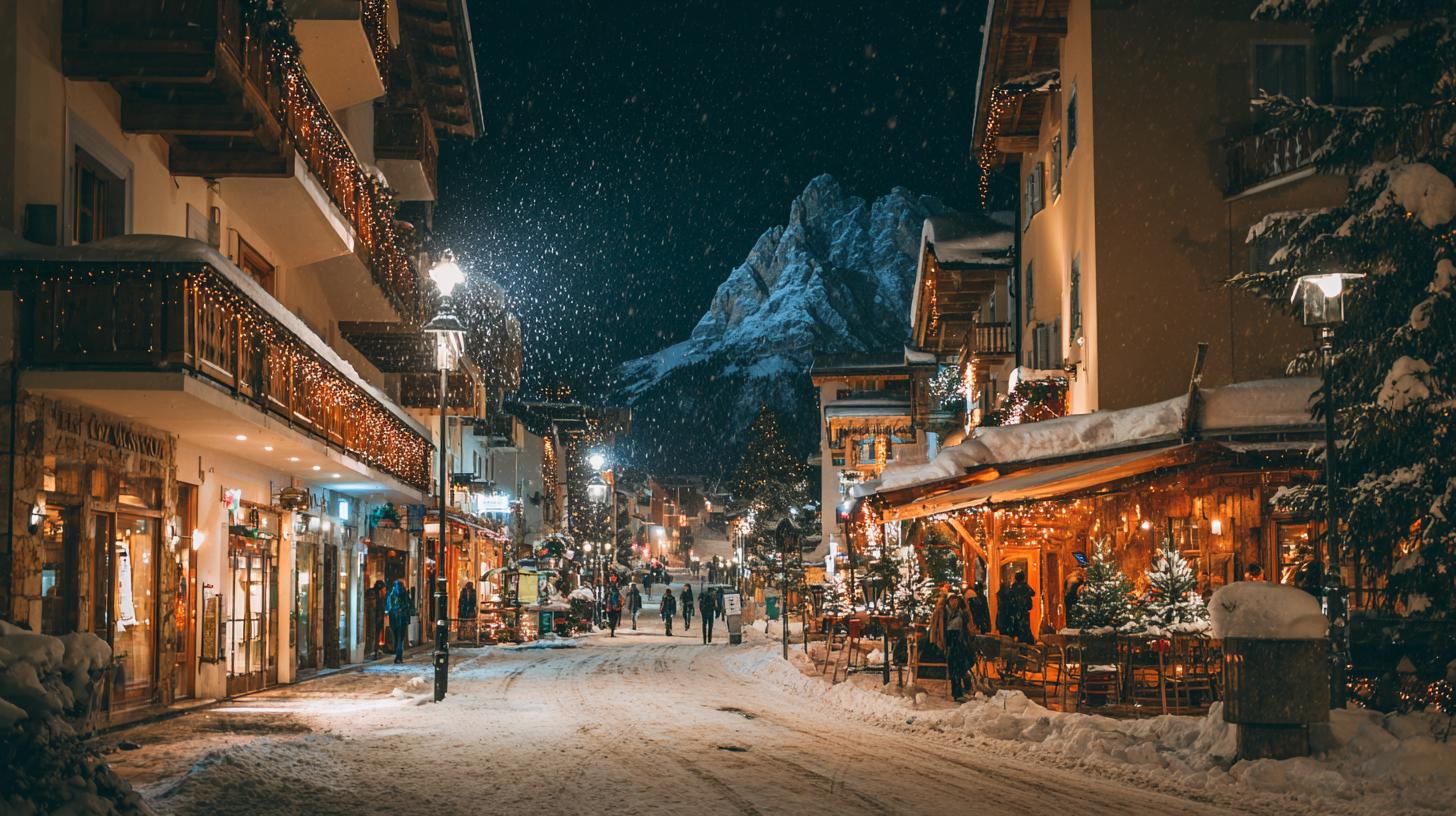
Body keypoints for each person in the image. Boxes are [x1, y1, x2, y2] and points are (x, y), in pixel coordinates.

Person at [929, 592, 974, 702]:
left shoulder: (961, 612)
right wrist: (937, 641)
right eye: (952, 599)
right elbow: (934, 627)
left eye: (956, 599)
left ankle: (964, 683)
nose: (954, 602)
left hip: (960, 641)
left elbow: (968, 626)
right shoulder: (942, 612)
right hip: (948, 641)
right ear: (948, 601)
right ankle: (958, 692)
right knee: (955, 666)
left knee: (964, 662)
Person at [385, 579, 414, 664]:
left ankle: (397, 655)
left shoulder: (391, 594)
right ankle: (399, 657)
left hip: (393, 619)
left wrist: (390, 612)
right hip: (403, 619)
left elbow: (388, 607)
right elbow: (409, 605)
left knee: (396, 638)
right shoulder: (404, 594)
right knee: (400, 639)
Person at [1006, 571, 1036, 644]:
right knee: (1025, 628)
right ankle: (1026, 642)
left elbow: (1009, 596)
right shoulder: (1025, 587)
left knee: (1016, 629)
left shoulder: (1014, 587)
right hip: (1024, 611)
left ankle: (1017, 642)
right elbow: (1033, 593)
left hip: (1015, 612)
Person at [367, 579, 387, 659]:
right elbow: (374, 609)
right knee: (374, 634)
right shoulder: (375, 596)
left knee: (375, 635)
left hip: (377, 619)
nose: (385, 592)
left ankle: (375, 651)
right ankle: (373, 652)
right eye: (384, 590)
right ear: (380, 589)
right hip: (375, 619)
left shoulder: (377, 596)